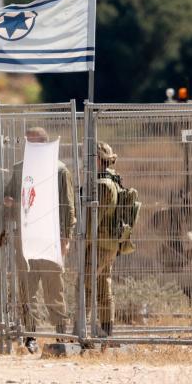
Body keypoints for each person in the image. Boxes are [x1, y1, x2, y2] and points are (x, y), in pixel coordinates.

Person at [4, 127, 76, 354]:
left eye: (32, 143)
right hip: (25, 239)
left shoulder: (59, 170)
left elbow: (68, 206)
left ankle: (61, 333)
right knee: (27, 289)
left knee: (54, 288)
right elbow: (10, 196)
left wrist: (66, 237)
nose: (27, 147)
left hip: (50, 238)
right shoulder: (19, 169)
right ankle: (30, 335)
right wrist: (9, 201)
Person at [84, 141, 122, 338]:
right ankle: (107, 332)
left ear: (97, 159)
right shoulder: (113, 180)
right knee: (102, 286)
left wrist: (82, 239)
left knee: (85, 284)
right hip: (109, 244)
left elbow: (93, 222)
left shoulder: (102, 185)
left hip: (99, 244)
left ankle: (80, 329)